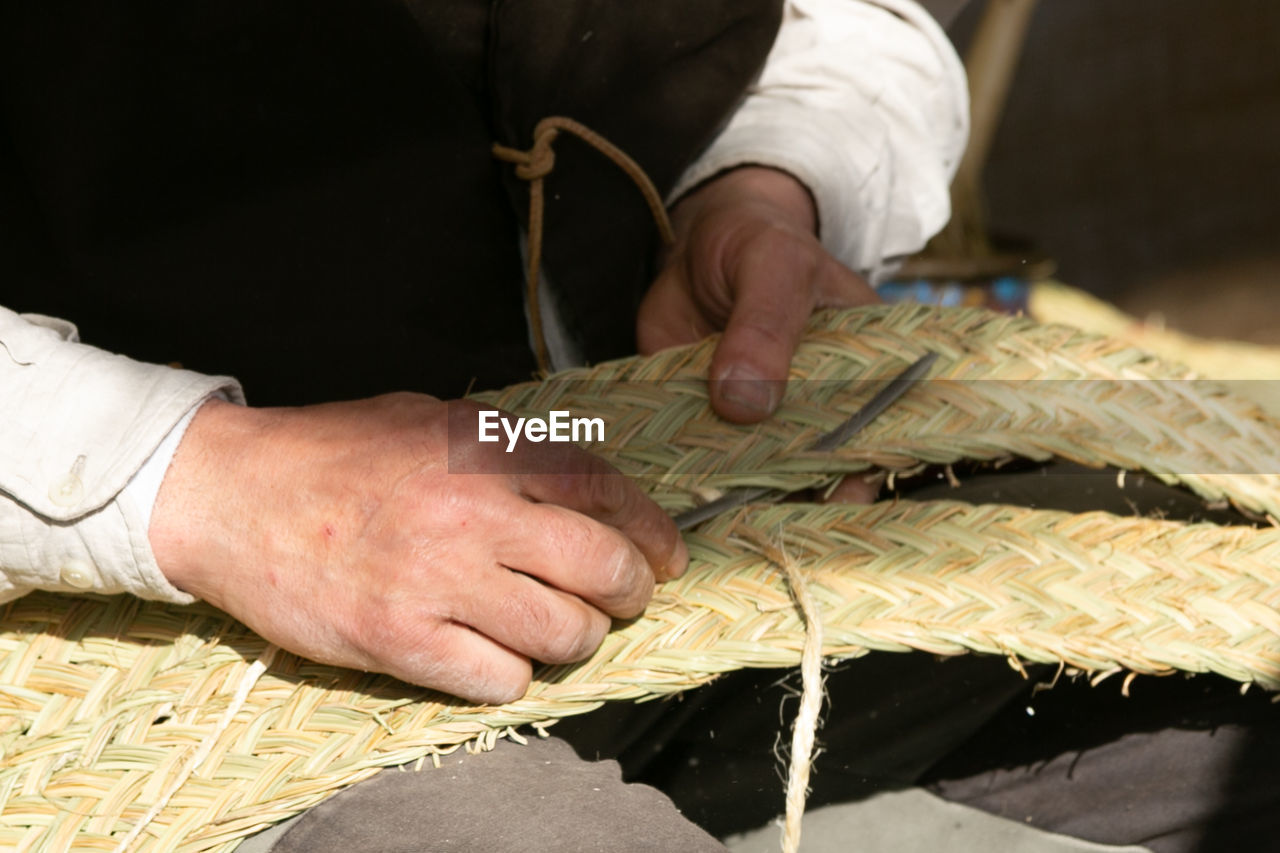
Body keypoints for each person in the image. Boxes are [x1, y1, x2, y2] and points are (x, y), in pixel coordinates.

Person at [0, 0, 968, 848]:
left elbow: (826, 21)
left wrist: (757, 180)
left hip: (550, 434)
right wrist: (204, 482)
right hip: (161, 557)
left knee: (1108, 710)